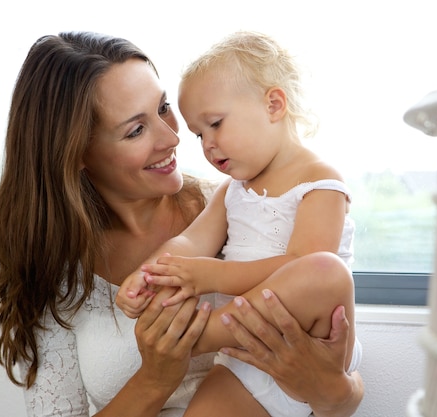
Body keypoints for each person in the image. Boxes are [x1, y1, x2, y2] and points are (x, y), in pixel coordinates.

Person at [0, 31, 364, 417]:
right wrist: (155, 371)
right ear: (77, 151)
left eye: (163, 107)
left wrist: (334, 392)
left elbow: (337, 383)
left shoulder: (250, 197)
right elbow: (186, 248)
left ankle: (204, 335)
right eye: (136, 129)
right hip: (235, 380)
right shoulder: (54, 267)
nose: (175, 138)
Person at [116, 31, 362, 417]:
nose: (207, 144)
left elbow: (301, 263)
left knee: (324, 270)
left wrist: (212, 277)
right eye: (199, 133)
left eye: (215, 124)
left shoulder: (320, 179)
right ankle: (195, 334)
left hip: (312, 345)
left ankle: (195, 337)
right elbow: (189, 244)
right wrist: (149, 274)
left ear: (274, 104)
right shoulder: (233, 190)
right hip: (241, 359)